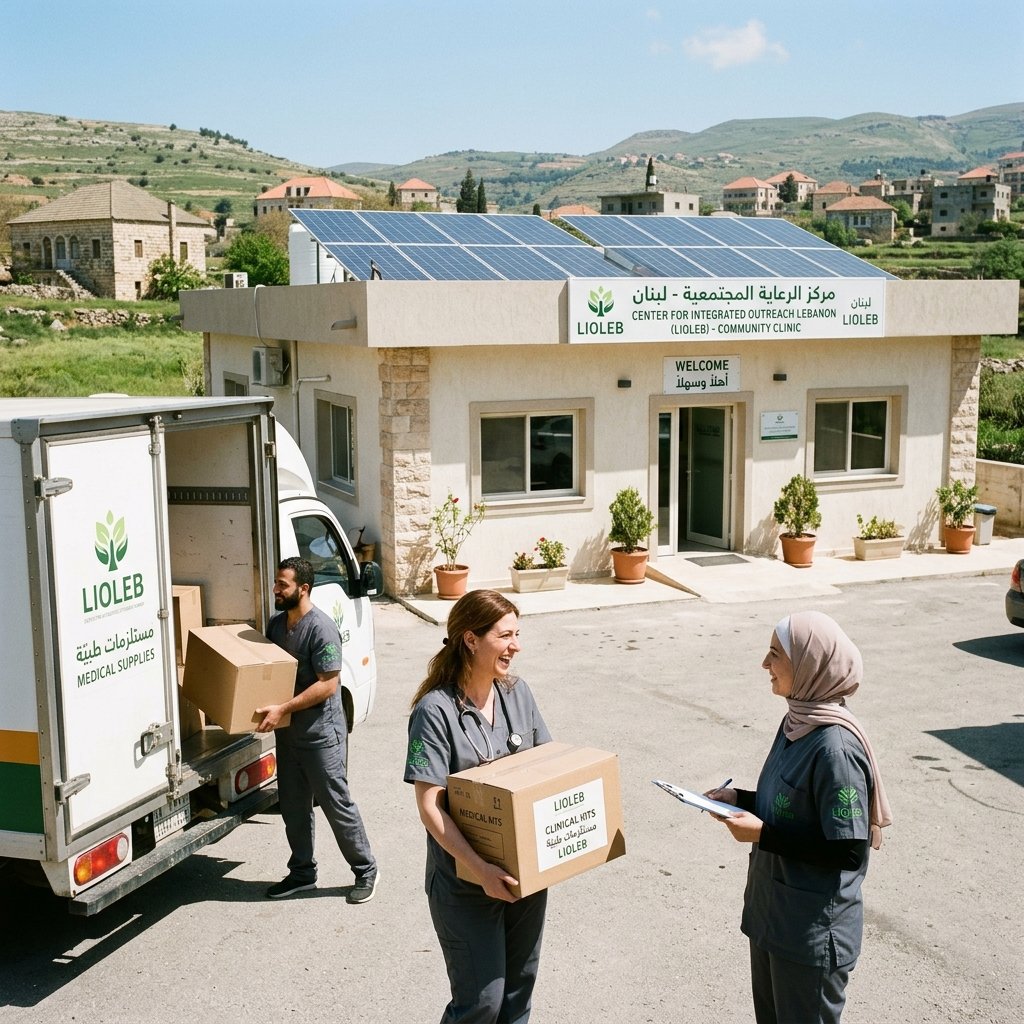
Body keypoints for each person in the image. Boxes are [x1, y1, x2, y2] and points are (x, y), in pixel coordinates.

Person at [706, 611, 892, 1024]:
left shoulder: (836, 749)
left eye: (775, 654)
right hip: (774, 920)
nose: (764, 664)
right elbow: (788, 802)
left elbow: (848, 851)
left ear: (809, 665)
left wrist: (764, 834)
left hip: (810, 934)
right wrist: (738, 798)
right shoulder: (796, 721)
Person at [405, 589, 551, 1024]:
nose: (516, 646)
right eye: (505, 635)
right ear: (471, 639)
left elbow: (548, 769)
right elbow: (430, 806)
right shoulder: (434, 711)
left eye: (517, 634)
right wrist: (481, 869)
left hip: (524, 877)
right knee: (481, 1003)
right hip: (465, 884)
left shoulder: (517, 693)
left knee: (517, 995)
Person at [256, 556, 379, 904]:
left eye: (283, 584)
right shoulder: (277, 625)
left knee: (336, 804)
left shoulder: (321, 628)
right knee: (294, 807)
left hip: (321, 736)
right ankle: (302, 873)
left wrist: (283, 708)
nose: (276, 590)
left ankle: (366, 870)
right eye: (276, 583)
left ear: (304, 588)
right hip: (290, 735)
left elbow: (328, 685)